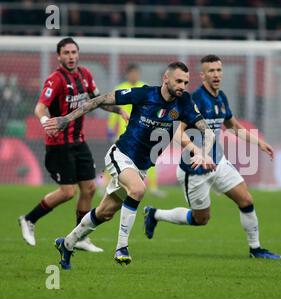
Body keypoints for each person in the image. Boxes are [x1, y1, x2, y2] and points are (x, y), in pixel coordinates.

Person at [44, 61, 216, 270]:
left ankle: (67, 243)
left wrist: (204, 153)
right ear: (166, 79)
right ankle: (121, 248)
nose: (182, 86)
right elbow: (99, 100)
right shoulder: (144, 94)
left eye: (186, 82)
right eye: (178, 81)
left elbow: (207, 131)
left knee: (105, 212)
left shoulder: (184, 103)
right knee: (137, 189)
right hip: (121, 155)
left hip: (141, 168)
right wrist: (66, 119)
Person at [143, 55, 281, 260]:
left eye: (218, 70)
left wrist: (259, 142)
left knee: (245, 199)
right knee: (201, 219)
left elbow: (233, 127)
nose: (216, 74)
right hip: (195, 169)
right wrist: (197, 152)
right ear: (203, 75)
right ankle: (155, 214)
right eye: (211, 71)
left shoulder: (221, 97)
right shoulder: (193, 100)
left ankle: (256, 249)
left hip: (219, 162)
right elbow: (177, 132)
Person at [18, 37, 128, 253]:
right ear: (59, 56)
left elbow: (98, 100)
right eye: (66, 53)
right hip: (58, 144)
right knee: (68, 192)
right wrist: (44, 122)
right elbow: (40, 107)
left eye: (73, 52)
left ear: (78, 54)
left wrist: (120, 110)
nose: (71, 56)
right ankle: (29, 219)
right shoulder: (55, 79)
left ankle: (79, 237)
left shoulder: (85, 75)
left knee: (88, 188)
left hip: (79, 141)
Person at [105, 63, 166, 197]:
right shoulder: (121, 88)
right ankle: (105, 184)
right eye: (132, 73)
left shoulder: (144, 88)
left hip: (141, 131)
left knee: (148, 159)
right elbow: (114, 110)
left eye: (136, 73)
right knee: (116, 159)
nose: (134, 75)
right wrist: (110, 128)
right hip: (123, 131)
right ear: (127, 74)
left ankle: (153, 187)